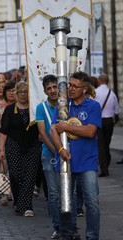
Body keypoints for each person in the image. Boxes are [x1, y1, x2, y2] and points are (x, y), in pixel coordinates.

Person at [50, 71, 101, 240]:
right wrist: (60, 150)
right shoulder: (63, 105)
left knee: (92, 202)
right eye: (69, 85)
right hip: (66, 161)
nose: (70, 89)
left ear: (85, 89)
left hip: (87, 162)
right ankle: (67, 233)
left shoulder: (93, 106)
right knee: (65, 202)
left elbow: (90, 131)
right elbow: (53, 130)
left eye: (75, 86)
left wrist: (67, 127)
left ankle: (92, 236)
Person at [0, 81, 41, 216]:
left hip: (32, 145)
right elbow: (4, 131)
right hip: (13, 145)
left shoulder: (35, 109)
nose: (23, 94)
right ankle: (18, 201)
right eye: (20, 92)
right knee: (16, 175)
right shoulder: (10, 110)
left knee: (29, 176)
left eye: (25, 91)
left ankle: (27, 206)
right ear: (16, 94)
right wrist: (1, 149)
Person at [35, 74, 60, 238]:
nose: (53, 91)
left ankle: (69, 226)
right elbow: (42, 134)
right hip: (49, 154)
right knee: (53, 193)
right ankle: (58, 227)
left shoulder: (66, 104)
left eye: (55, 87)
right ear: (45, 91)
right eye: (49, 88)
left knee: (69, 192)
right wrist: (56, 151)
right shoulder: (41, 108)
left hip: (68, 155)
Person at [95, 74, 120, 176]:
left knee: (100, 145)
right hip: (109, 121)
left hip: (99, 120)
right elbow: (117, 111)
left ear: (99, 81)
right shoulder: (112, 94)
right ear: (108, 82)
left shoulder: (96, 93)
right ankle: (107, 163)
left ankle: (104, 168)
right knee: (107, 144)